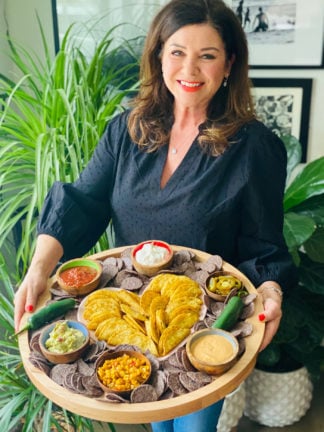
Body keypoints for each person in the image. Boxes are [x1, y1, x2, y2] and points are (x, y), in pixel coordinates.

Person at [14, 0, 296, 431]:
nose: (191, 69)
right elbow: (83, 200)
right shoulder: (126, 130)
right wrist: (39, 268)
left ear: (229, 64)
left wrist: (271, 291)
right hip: (130, 319)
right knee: (157, 424)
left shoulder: (254, 148)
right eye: (178, 51)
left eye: (208, 55)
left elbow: (264, 243)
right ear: (159, 54)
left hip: (202, 329)